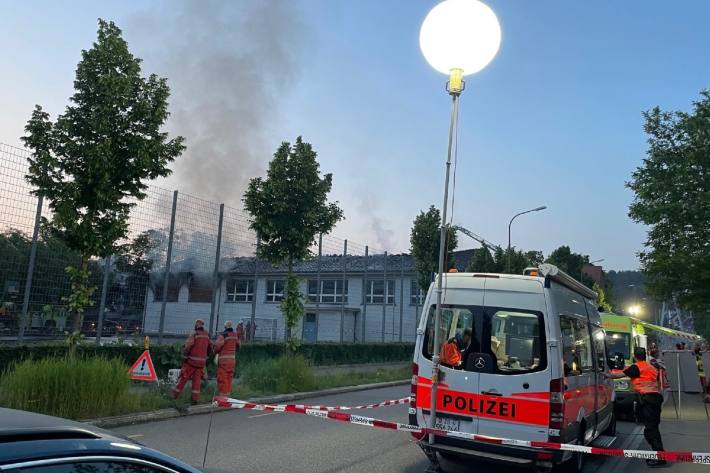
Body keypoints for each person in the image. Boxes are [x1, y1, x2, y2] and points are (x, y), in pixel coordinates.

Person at [606, 347, 666, 467]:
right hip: (655, 399)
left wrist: (605, 375)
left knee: (651, 429)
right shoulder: (650, 367)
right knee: (652, 427)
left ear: (635, 356)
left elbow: (618, 375)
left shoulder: (637, 367)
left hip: (647, 400)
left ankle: (661, 457)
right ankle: (659, 455)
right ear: (645, 355)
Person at [171, 319, 212, 404]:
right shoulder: (207, 334)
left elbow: (188, 346)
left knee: (183, 378)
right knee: (197, 382)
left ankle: (174, 396)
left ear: (197, 325)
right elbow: (210, 347)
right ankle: (194, 399)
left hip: (192, 361)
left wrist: (185, 356)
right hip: (201, 363)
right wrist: (206, 356)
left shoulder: (194, 333)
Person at [214, 320, 240, 397]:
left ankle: (223, 399)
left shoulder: (223, 335)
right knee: (229, 379)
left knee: (222, 379)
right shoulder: (235, 335)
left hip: (223, 362)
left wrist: (214, 352)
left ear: (225, 327)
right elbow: (238, 346)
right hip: (232, 361)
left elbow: (217, 347)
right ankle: (227, 398)